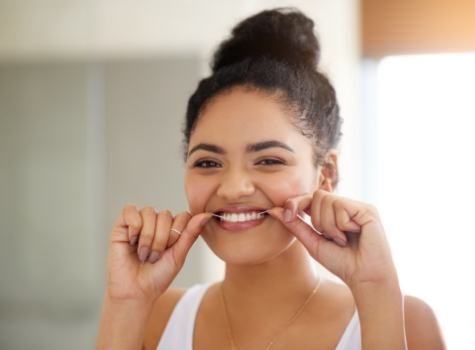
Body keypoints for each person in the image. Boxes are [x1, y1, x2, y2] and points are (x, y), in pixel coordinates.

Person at [96, 7, 446, 350]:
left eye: (268, 160)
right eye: (207, 163)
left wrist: (375, 289)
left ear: (326, 174)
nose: (233, 188)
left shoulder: (405, 321)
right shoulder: (154, 319)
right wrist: (125, 302)